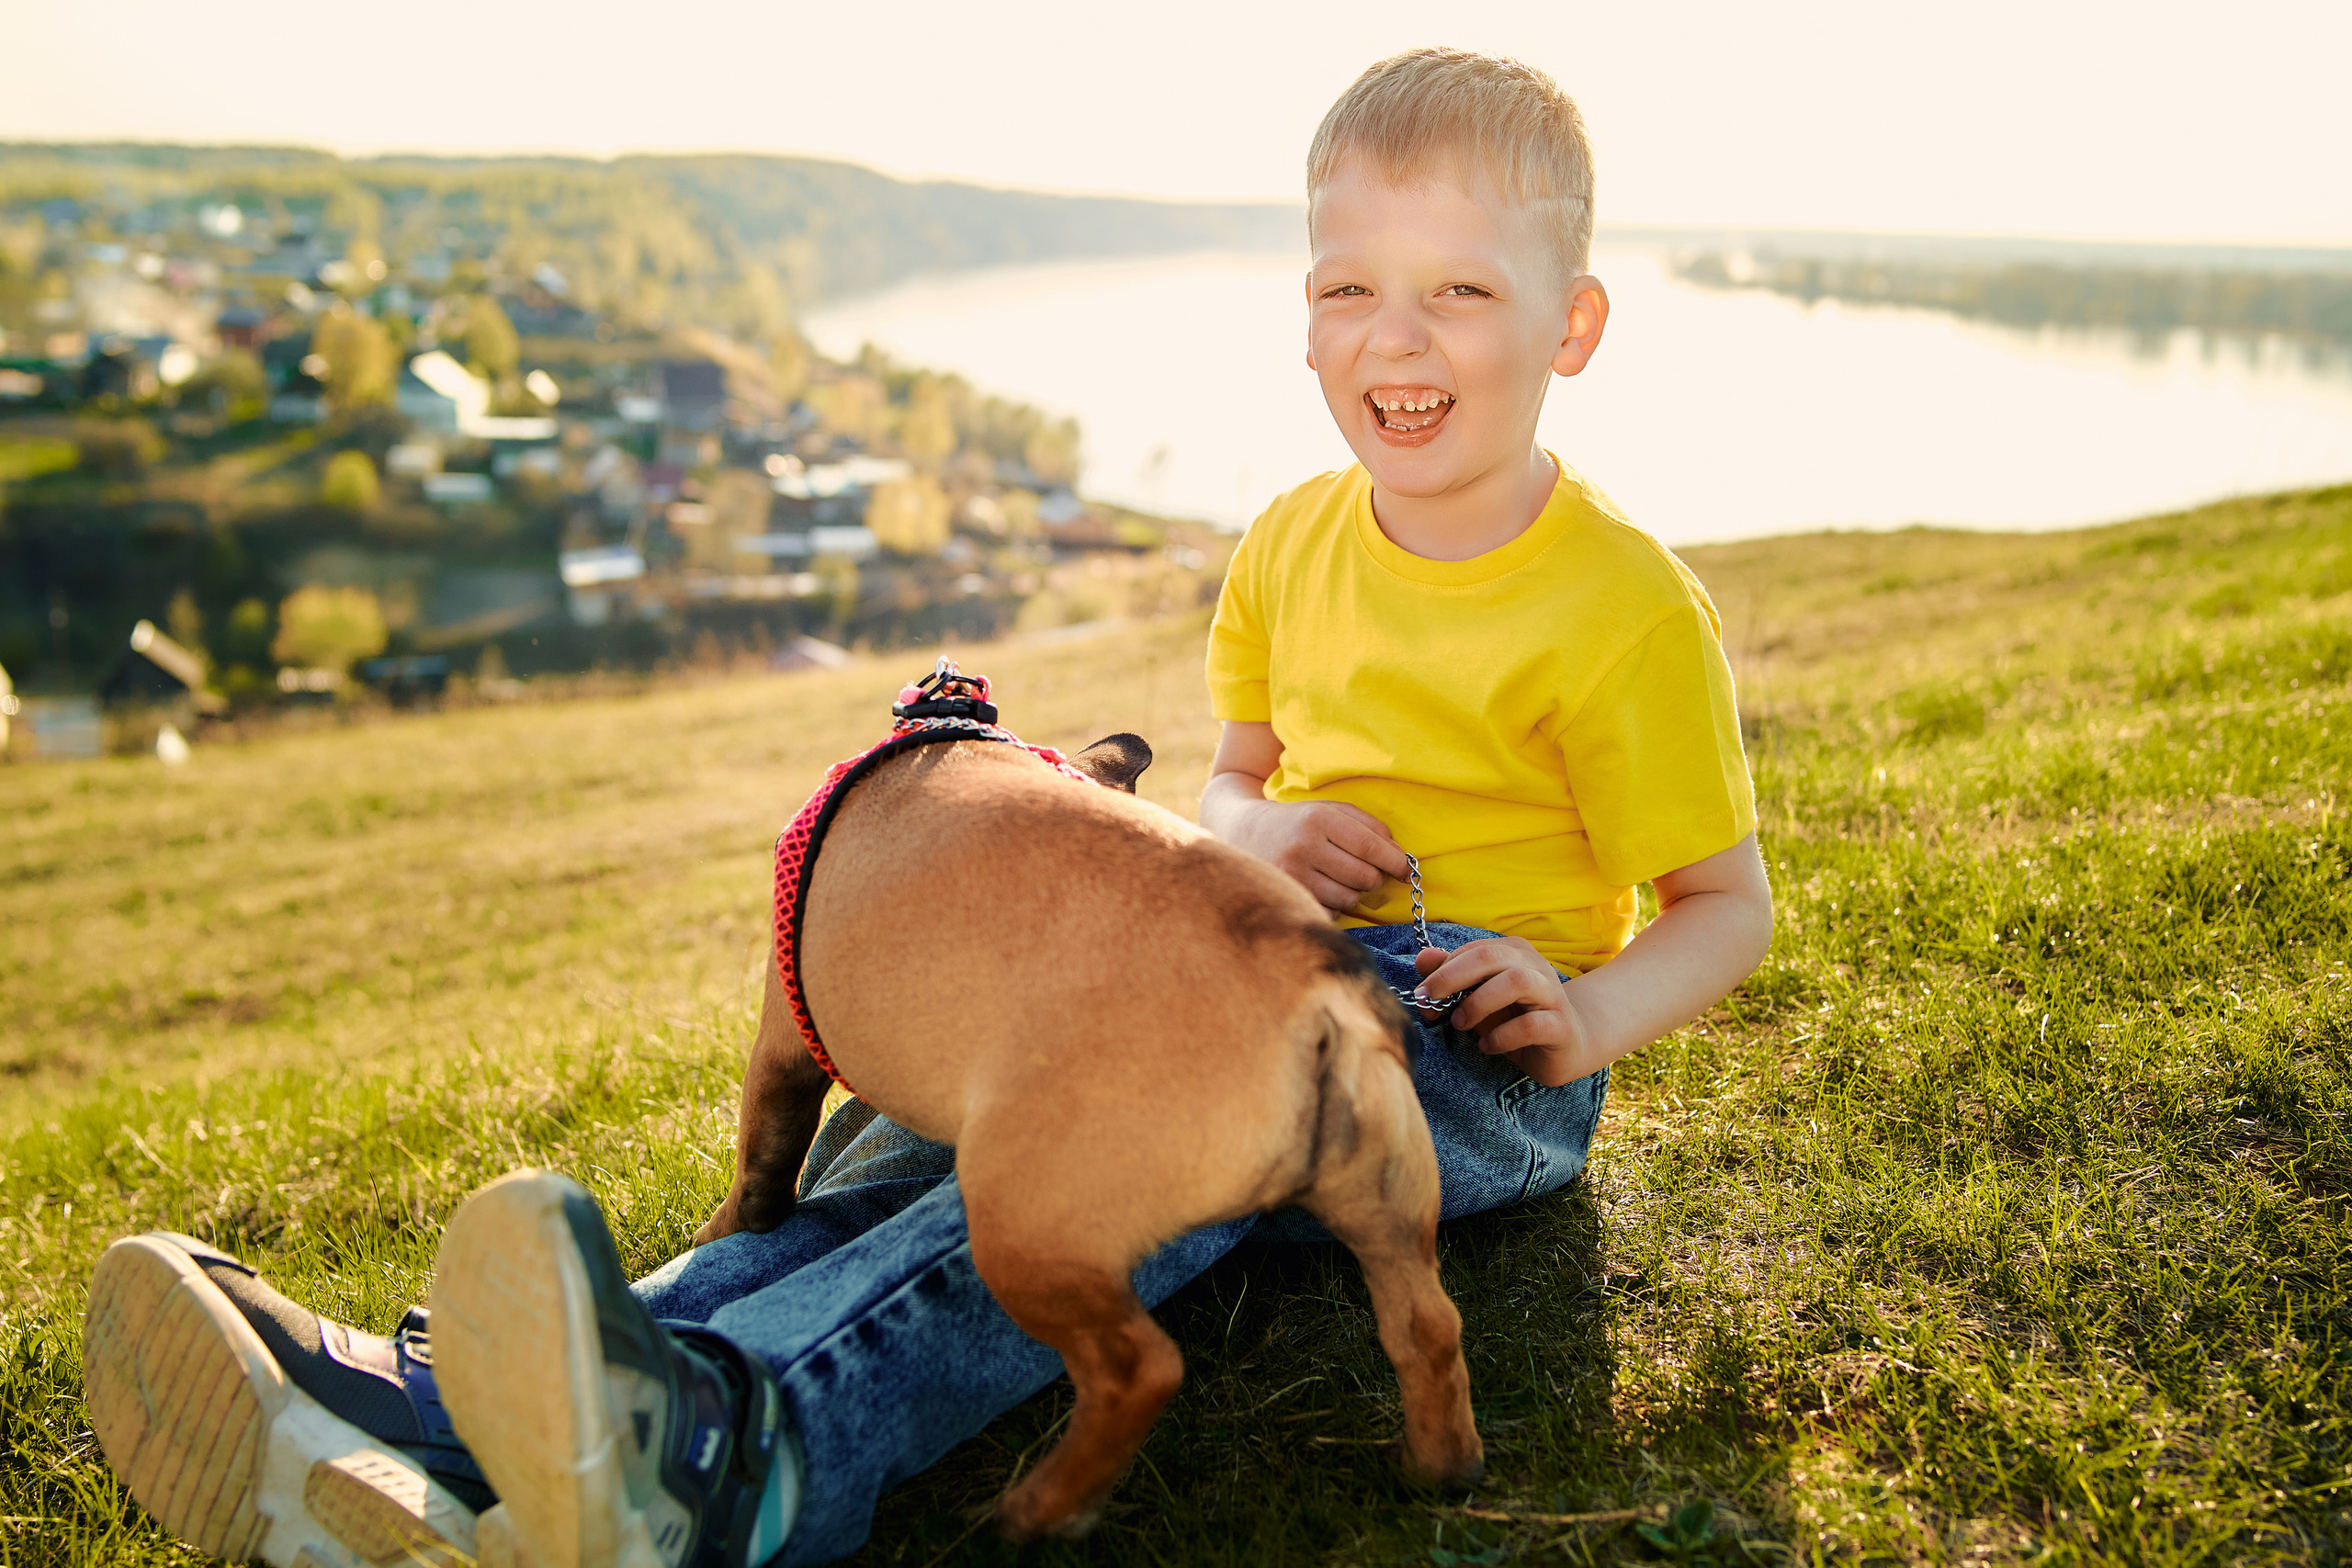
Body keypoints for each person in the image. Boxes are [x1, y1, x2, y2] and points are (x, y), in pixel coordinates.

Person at [84, 48, 1772, 1568]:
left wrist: (1586, 1005)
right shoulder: (1286, 543)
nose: (1395, 339)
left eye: (1460, 290)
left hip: (1468, 1051)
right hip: (1250, 952)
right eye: (1350, 288)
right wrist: (1247, 838)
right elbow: (1234, 781)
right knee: (947, 1121)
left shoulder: (1619, 609)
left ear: (1570, 327)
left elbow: (1727, 902)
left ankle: (747, 1447)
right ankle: (475, 1408)